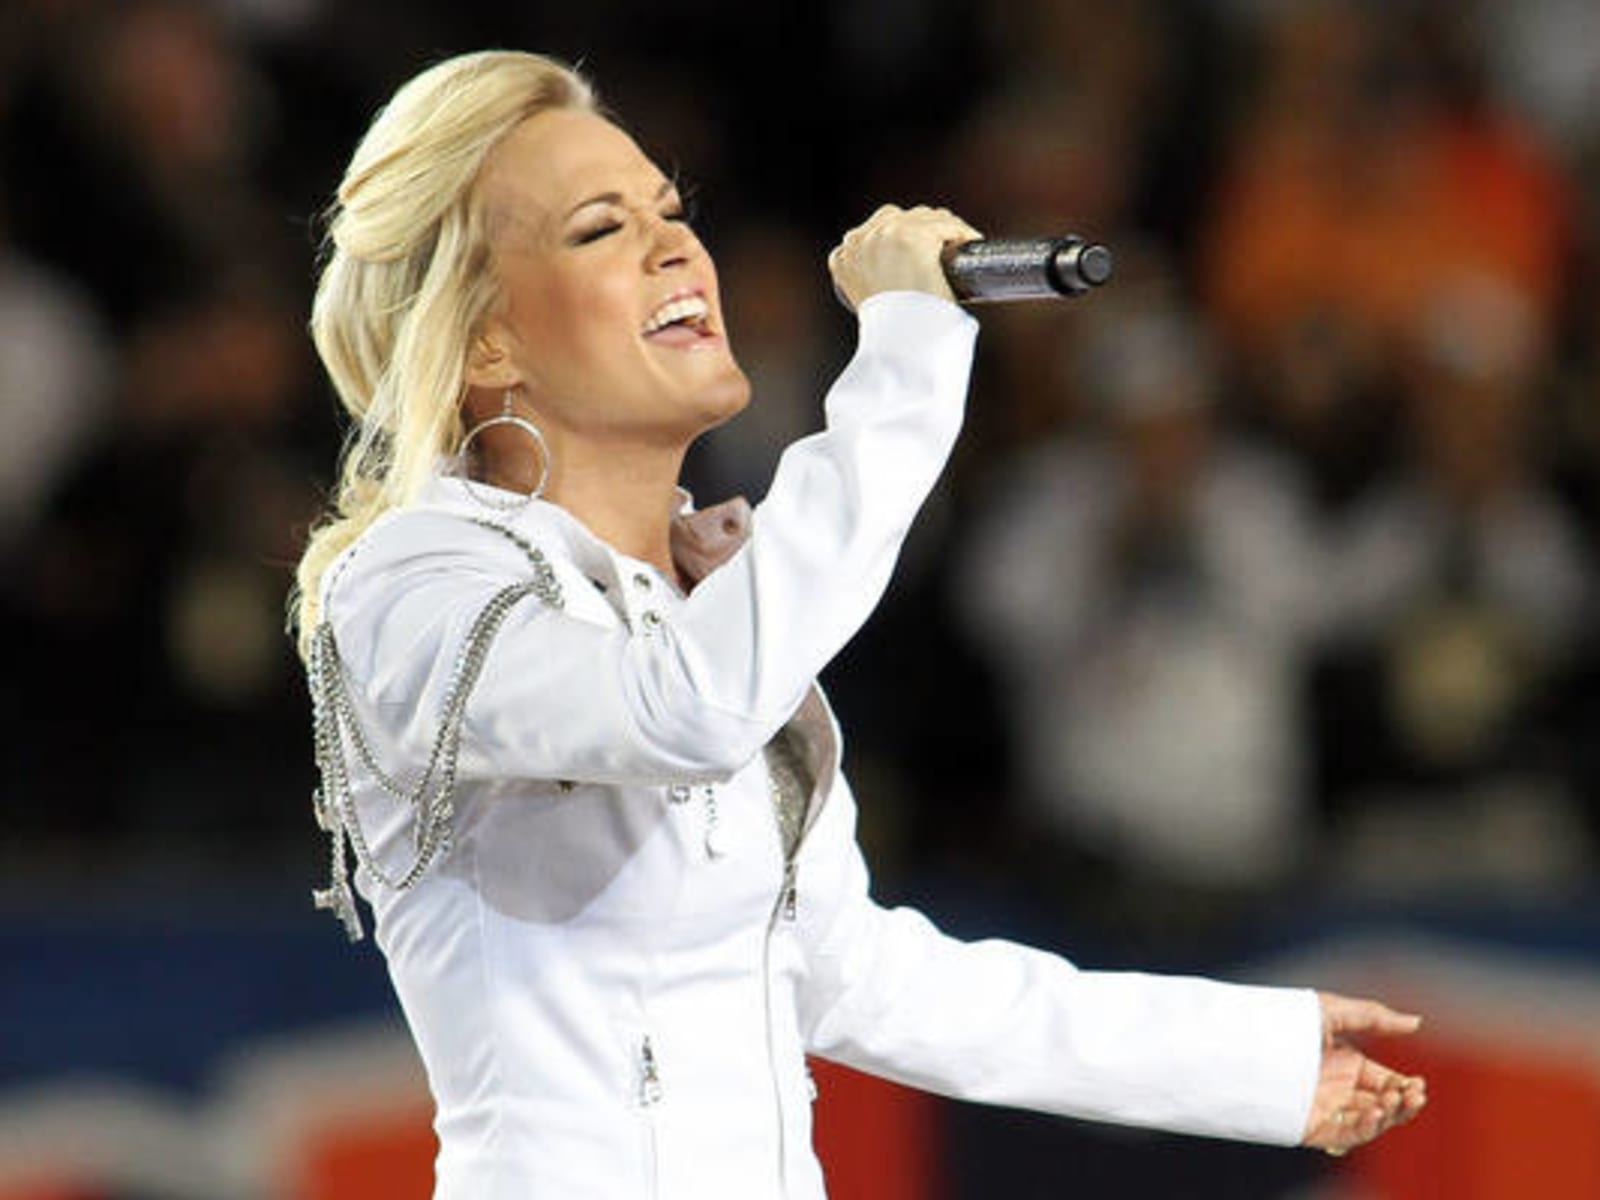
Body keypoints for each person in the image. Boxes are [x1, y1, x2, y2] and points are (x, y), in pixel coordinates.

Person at [291, 49, 1426, 1199]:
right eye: (599, 230)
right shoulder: (412, 582)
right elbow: (678, 711)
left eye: (672, 212)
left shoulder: (709, 597)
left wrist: (1252, 1063)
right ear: (486, 341)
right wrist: (909, 357)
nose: (674, 245)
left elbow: (856, 974)